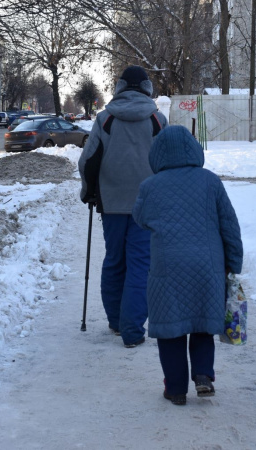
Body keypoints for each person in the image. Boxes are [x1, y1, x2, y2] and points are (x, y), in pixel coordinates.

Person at [132, 125, 243, 405]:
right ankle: (203, 375)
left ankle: (176, 389)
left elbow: (140, 219)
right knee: (203, 323)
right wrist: (234, 262)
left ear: (156, 155)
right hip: (208, 266)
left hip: (167, 267)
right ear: (194, 150)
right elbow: (229, 224)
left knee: (170, 330)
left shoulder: (150, 186)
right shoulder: (210, 181)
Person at [78, 65, 168, 348]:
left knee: (114, 261)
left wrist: (89, 192)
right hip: (148, 205)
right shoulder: (157, 119)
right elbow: (167, 159)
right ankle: (132, 330)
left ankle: (116, 322)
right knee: (141, 264)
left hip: (111, 203)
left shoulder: (105, 119)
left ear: (118, 87)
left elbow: (88, 160)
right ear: (147, 88)